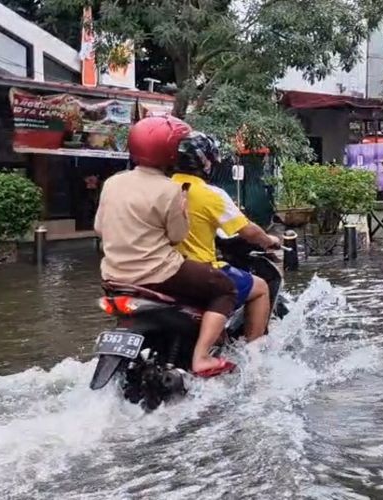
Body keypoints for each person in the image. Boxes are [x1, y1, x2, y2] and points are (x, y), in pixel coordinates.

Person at [94, 116, 238, 377]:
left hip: (114, 277)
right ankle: (202, 357)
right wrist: (181, 209)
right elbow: (177, 236)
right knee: (225, 288)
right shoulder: (169, 189)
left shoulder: (113, 182)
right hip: (159, 273)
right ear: (168, 151)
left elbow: (99, 228)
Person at [172, 131, 281, 342]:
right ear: (206, 162)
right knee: (260, 288)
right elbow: (248, 230)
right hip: (199, 271)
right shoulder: (210, 194)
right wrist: (269, 241)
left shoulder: (161, 188)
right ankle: (254, 353)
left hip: (161, 270)